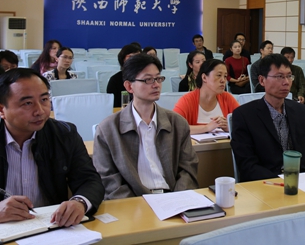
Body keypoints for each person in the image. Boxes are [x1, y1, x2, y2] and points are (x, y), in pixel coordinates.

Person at [0, 68, 103, 225]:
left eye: (44, 99)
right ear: (2, 109)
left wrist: (79, 202)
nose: (40, 111)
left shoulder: (64, 134)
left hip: (51, 225)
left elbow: (89, 180)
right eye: (27, 103)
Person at [93, 54, 199, 199]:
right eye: (148, 79)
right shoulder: (108, 129)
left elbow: (188, 167)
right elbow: (108, 179)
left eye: (158, 78)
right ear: (129, 86)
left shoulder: (177, 123)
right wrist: (138, 205)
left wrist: (177, 198)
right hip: (133, 203)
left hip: (173, 198)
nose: (156, 85)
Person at [231, 54, 305, 182]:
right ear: (262, 80)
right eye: (279, 77)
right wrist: (281, 182)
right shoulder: (244, 115)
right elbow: (247, 166)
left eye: (289, 76)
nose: (286, 82)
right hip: (265, 185)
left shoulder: (300, 111)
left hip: (300, 182)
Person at [174, 59, 239, 134]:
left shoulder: (227, 97)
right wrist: (207, 127)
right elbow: (175, 127)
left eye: (225, 76)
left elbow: (244, 123)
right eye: (219, 75)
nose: (223, 80)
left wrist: (230, 126)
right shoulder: (187, 100)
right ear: (204, 77)